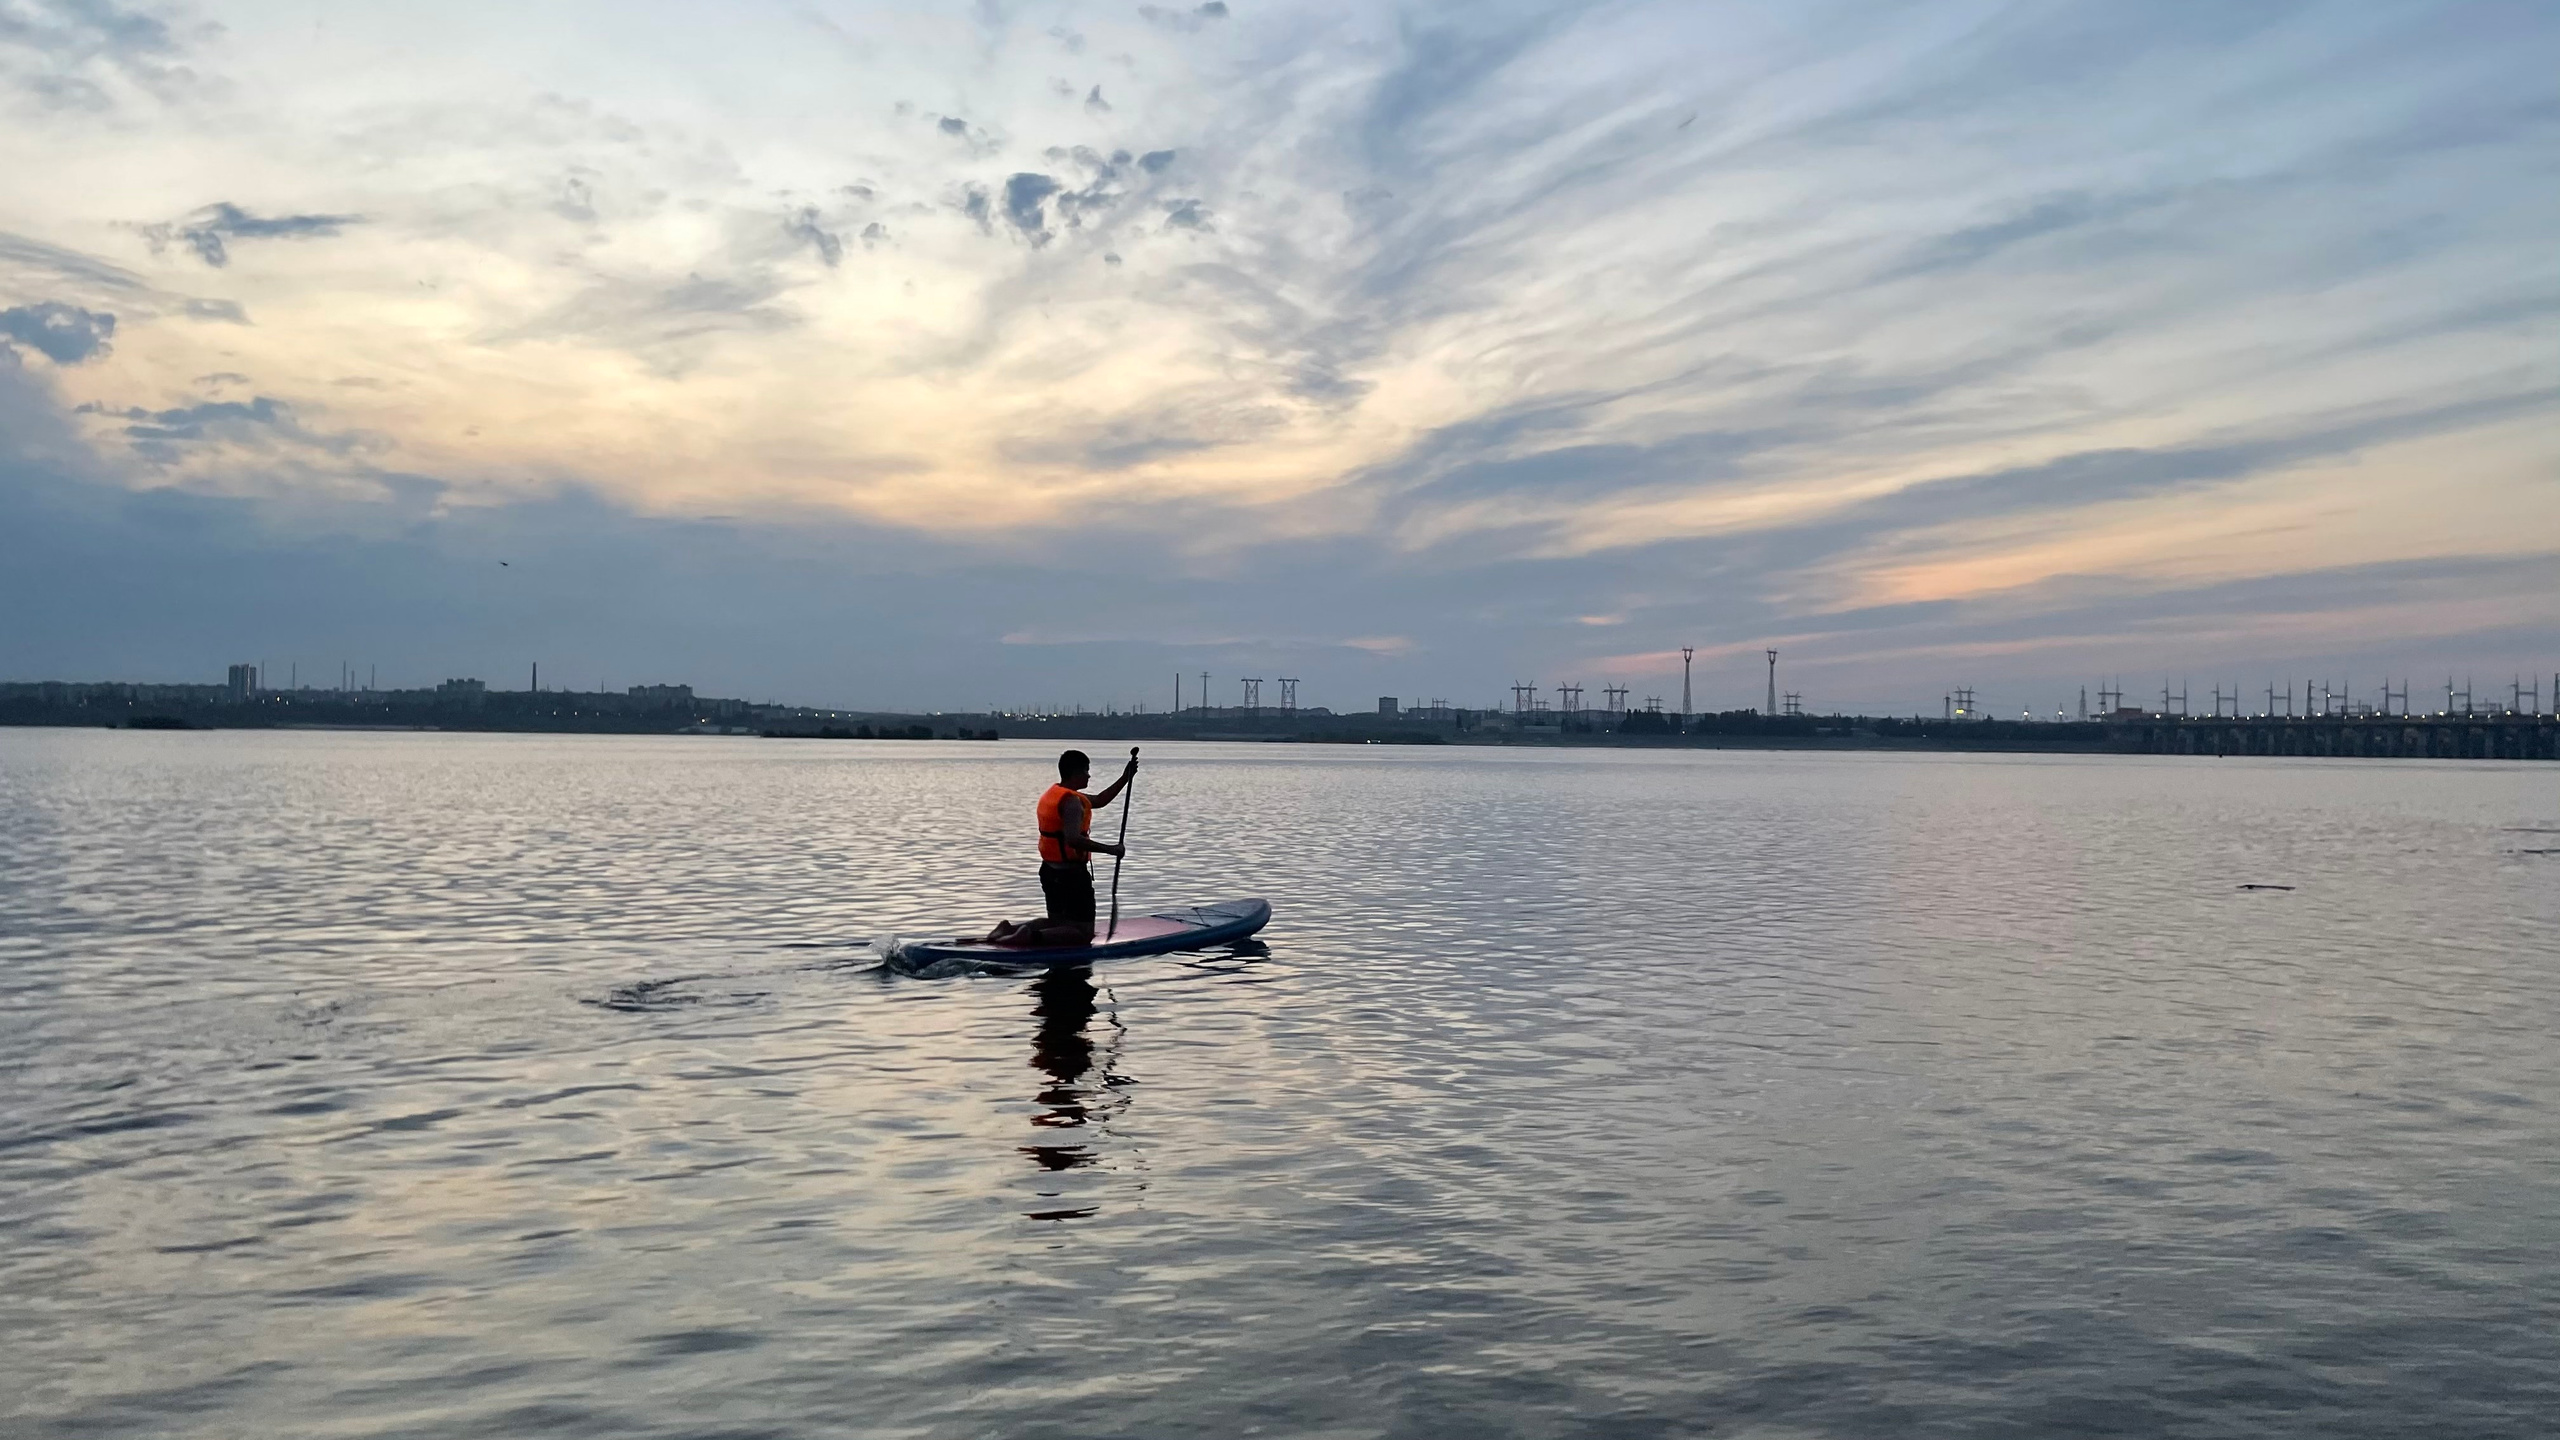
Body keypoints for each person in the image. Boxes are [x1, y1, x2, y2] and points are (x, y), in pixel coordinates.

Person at [978, 748, 1138, 947]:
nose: (1088, 775)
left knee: (1056, 922)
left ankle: (1008, 929)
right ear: (1075, 773)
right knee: (1083, 933)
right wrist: (1111, 849)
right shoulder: (1072, 802)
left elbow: (1100, 800)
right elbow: (1073, 839)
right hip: (1070, 876)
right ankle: (1029, 936)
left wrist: (1125, 778)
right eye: (1086, 771)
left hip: (1050, 871)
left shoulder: (1057, 794)